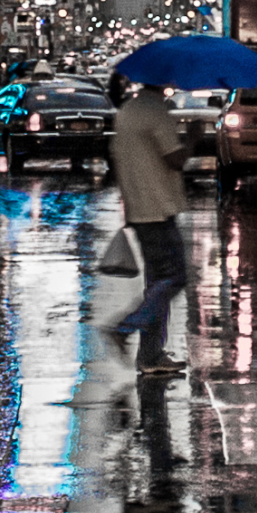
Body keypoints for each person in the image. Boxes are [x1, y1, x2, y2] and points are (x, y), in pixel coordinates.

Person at [107, 70, 188, 374]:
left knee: (158, 285)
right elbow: (175, 158)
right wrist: (191, 139)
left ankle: (150, 356)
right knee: (174, 277)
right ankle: (125, 327)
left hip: (139, 208)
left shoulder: (128, 110)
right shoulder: (156, 111)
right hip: (158, 209)